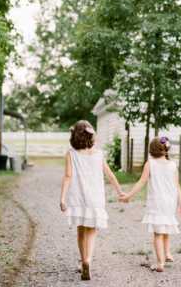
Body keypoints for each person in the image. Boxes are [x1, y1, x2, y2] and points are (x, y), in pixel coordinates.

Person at [59, 120, 123, 280]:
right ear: (91, 135)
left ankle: (82, 261)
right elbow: (109, 174)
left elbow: (67, 176)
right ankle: (88, 260)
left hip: (78, 198)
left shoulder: (71, 154)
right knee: (92, 230)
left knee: (81, 230)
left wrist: (62, 198)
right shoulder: (98, 153)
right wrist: (119, 190)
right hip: (95, 198)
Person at [119, 136, 181, 272]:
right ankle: (167, 253)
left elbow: (141, 182)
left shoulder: (150, 164)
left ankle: (160, 263)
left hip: (157, 203)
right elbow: (177, 186)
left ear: (151, 150)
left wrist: (128, 195)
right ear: (166, 149)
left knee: (158, 234)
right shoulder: (172, 165)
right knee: (165, 228)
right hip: (170, 202)